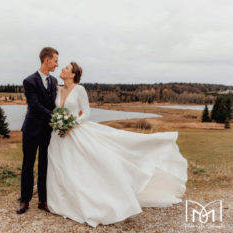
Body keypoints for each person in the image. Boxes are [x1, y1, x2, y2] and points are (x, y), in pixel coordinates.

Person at [46, 62, 188, 227]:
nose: (62, 69)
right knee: (61, 166)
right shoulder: (59, 89)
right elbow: (57, 110)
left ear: (72, 75)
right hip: (58, 135)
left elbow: (86, 113)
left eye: (66, 68)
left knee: (80, 166)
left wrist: (71, 125)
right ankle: (61, 201)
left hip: (75, 132)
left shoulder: (80, 90)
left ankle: (92, 200)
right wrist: (59, 123)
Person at [17, 47, 59, 214]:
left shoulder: (54, 81)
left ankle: (43, 200)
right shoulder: (29, 81)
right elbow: (34, 105)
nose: (57, 64)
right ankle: (24, 200)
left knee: (44, 165)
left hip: (47, 131)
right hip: (31, 130)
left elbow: (55, 103)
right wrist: (53, 116)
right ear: (46, 60)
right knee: (28, 164)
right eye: (55, 60)